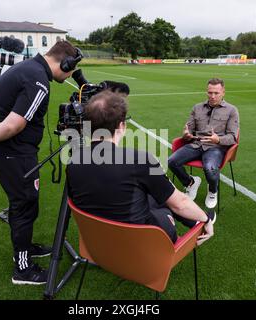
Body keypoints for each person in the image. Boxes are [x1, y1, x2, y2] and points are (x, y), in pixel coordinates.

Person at [0, 40, 83, 285]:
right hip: (14, 154)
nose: (72, 74)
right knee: (24, 206)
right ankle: (22, 269)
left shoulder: (24, 69)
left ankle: (26, 247)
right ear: (64, 63)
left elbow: (3, 105)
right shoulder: (38, 81)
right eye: (71, 69)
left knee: (24, 205)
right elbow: (14, 124)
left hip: (9, 153)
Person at [66, 90, 215, 245]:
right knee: (168, 200)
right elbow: (180, 204)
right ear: (122, 126)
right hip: (140, 244)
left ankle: (193, 220)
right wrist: (206, 218)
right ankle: (199, 221)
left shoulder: (73, 160)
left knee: (157, 192)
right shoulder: (140, 159)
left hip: (97, 241)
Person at [168, 78, 239, 209]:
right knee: (171, 161)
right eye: (209, 92)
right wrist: (186, 134)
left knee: (210, 168)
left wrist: (218, 140)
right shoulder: (197, 107)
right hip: (196, 145)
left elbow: (233, 137)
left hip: (216, 148)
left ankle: (212, 190)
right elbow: (189, 128)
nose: (212, 96)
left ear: (223, 92)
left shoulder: (232, 110)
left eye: (216, 93)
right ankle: (191, 183)